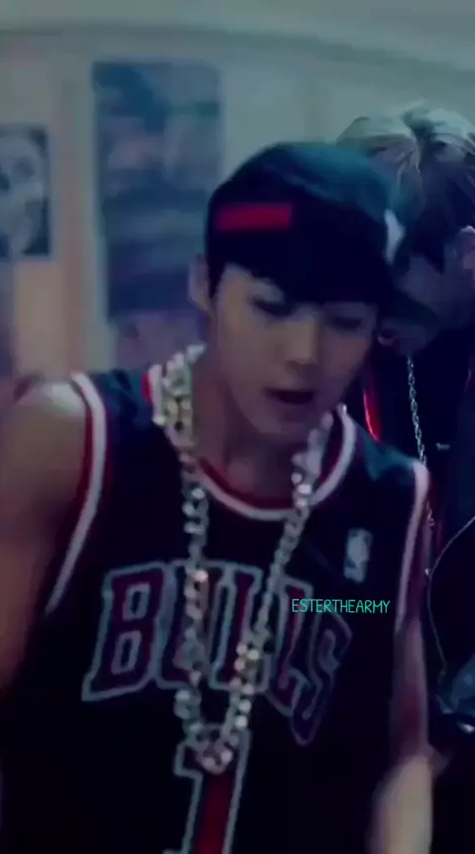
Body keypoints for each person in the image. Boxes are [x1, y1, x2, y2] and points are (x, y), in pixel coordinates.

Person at [0, 142, 430, 853]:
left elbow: (400, 754)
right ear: (205, 284)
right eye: (271, 307)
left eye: (345, 321)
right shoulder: (76, 443)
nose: (305, 352)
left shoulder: (387, 502)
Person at [337, 104, 475, 853]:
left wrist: (452, 723)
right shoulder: (353, 355)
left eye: (392, 282)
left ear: (467, 253)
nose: (370, 313)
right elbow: (331, 587)